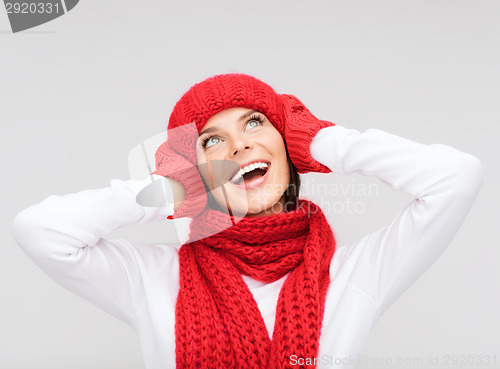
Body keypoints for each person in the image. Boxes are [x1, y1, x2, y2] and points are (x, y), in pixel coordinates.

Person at [13, 73, 484, 369]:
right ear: (192, 171)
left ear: (287, 145)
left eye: (255, 123)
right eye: (211, 142)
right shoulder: (154, 279)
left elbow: (456, 178)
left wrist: (322, 142)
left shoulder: (354, 276)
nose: (238, 147)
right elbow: (40, 230)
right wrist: (170, 191)